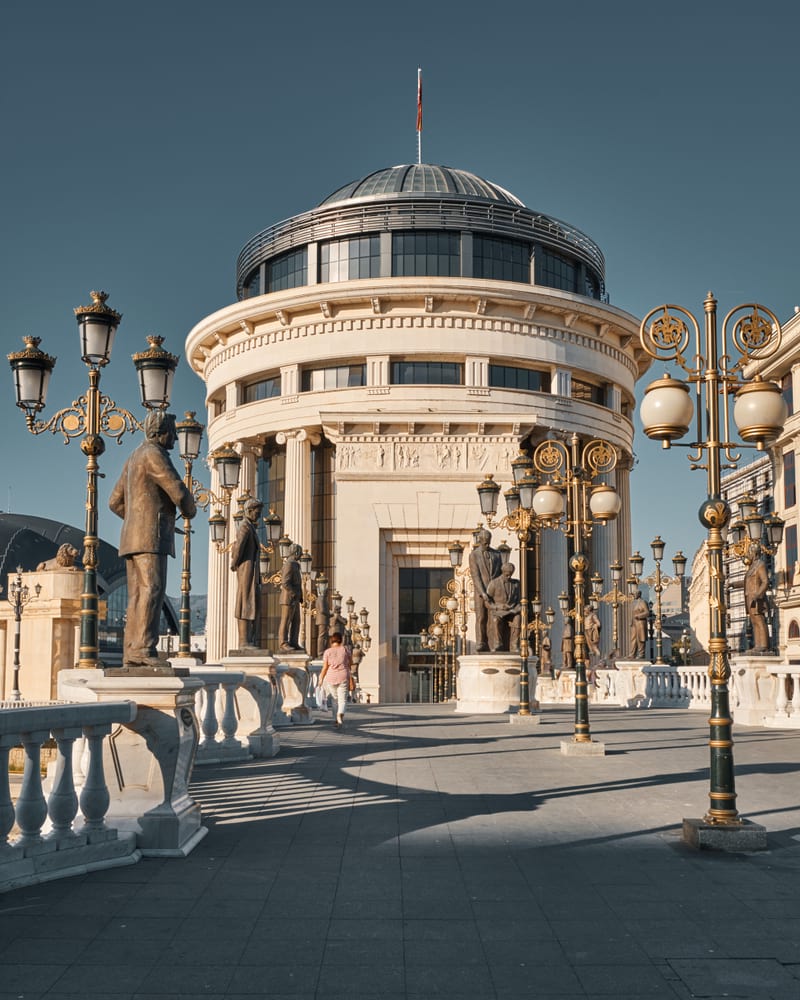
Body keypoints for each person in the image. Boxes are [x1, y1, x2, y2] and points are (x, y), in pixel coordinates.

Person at [109, 410, 197, 668]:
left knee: (137, 594)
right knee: (153, 589)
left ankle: (131, 651)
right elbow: (178, 491)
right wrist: (187, 510)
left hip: (132, 538)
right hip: (151, 537)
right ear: (160, 433)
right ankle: (144, 648)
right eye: (173, 433)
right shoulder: (154, 454)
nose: (176, 440)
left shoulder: (133, 457)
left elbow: (114, 502)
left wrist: (137, 518)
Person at [230, 498, 263, 650]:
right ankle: (243, 641)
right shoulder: (245, 527)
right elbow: (239, 545)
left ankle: (248, 640)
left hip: (251, 571)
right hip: (246, 570)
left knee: (250, 603)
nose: (259, 515)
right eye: (257, 512)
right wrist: (234, 563)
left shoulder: (250, 527)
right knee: (245, 603)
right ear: (249, 511)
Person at [468, 529, 503, 652]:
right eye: (485, 543)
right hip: (480, 593)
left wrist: (498, 591)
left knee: (494, 618)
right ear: (480, 541)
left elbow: (499, 575)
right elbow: (475, 576)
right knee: (481, 617)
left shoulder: (497, 554)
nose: (487, 545)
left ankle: (494, 643)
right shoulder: (474, 555)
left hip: (494, 592)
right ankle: (480, 642)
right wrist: (483, 592)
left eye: (489, 543)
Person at [485, 562, 522, 652]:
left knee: (518, 618)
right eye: (507, 575)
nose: (509, 577)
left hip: (512, 611)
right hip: (498, 611)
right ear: (502, 572)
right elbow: (487, 602)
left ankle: (514, 645)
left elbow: (520, 600)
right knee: (496, 619)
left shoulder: (516, 584)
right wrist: (498, 607)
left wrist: (518, 608)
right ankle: (498, 644)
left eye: (511, 575)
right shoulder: (494, 583)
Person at [319, 631, 352, 729]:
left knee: (334, 699)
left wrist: (321, 679)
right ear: (341, 640)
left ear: (331, 641)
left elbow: (325, 667)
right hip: (343, 676)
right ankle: (340, 714)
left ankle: (335, 720)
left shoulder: (327, 652)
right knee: (342, 700)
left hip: (331, 677)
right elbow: (351, 662)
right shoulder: (345, 650)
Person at [743, 550, 770, 652]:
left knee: (759, 620)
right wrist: (733, 585)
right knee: (754, 621)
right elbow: (746, 583)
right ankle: (757, 645)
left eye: (748, 553)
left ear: (754, 553)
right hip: (749, 598)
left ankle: (763, 645)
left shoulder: (760, 565)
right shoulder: (751, 567)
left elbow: (765, 581)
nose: (746, 556)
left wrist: (758, 594)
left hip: (756, 598)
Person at [278, 543, 303, 651]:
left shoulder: (295, 564)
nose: (301, 555)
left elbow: (298, 583)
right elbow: (285, 582)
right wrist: (294, 593)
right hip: (288, 598)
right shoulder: (289, 564)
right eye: (300, 553)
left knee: (296, 620)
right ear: (296, 552)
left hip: (295, 598)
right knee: (286, 620)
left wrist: (300, 596)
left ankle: (294, 642)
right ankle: (283, 643)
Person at [629, 589, 649, 659]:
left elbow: (647, 612)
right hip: (634, 623)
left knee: (640, 638)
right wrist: (631, 621)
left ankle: (641, 654)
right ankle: (632, 654)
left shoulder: (643, 602)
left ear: (639, 594)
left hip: (640, 623)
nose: (633, 595)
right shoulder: (633, 603)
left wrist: (639, 616)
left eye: (635, 593)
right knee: (633, 639)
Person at [313, 585, 330, 659]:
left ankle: (323, 651)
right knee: (322, 636)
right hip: (322, 620)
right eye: (327, 592)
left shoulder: (321, 598)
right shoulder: (321, 598)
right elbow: (323, 610)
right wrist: (330, 613)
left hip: (323, 620)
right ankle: (320, 653)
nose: (328, 593)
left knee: (323, 636)